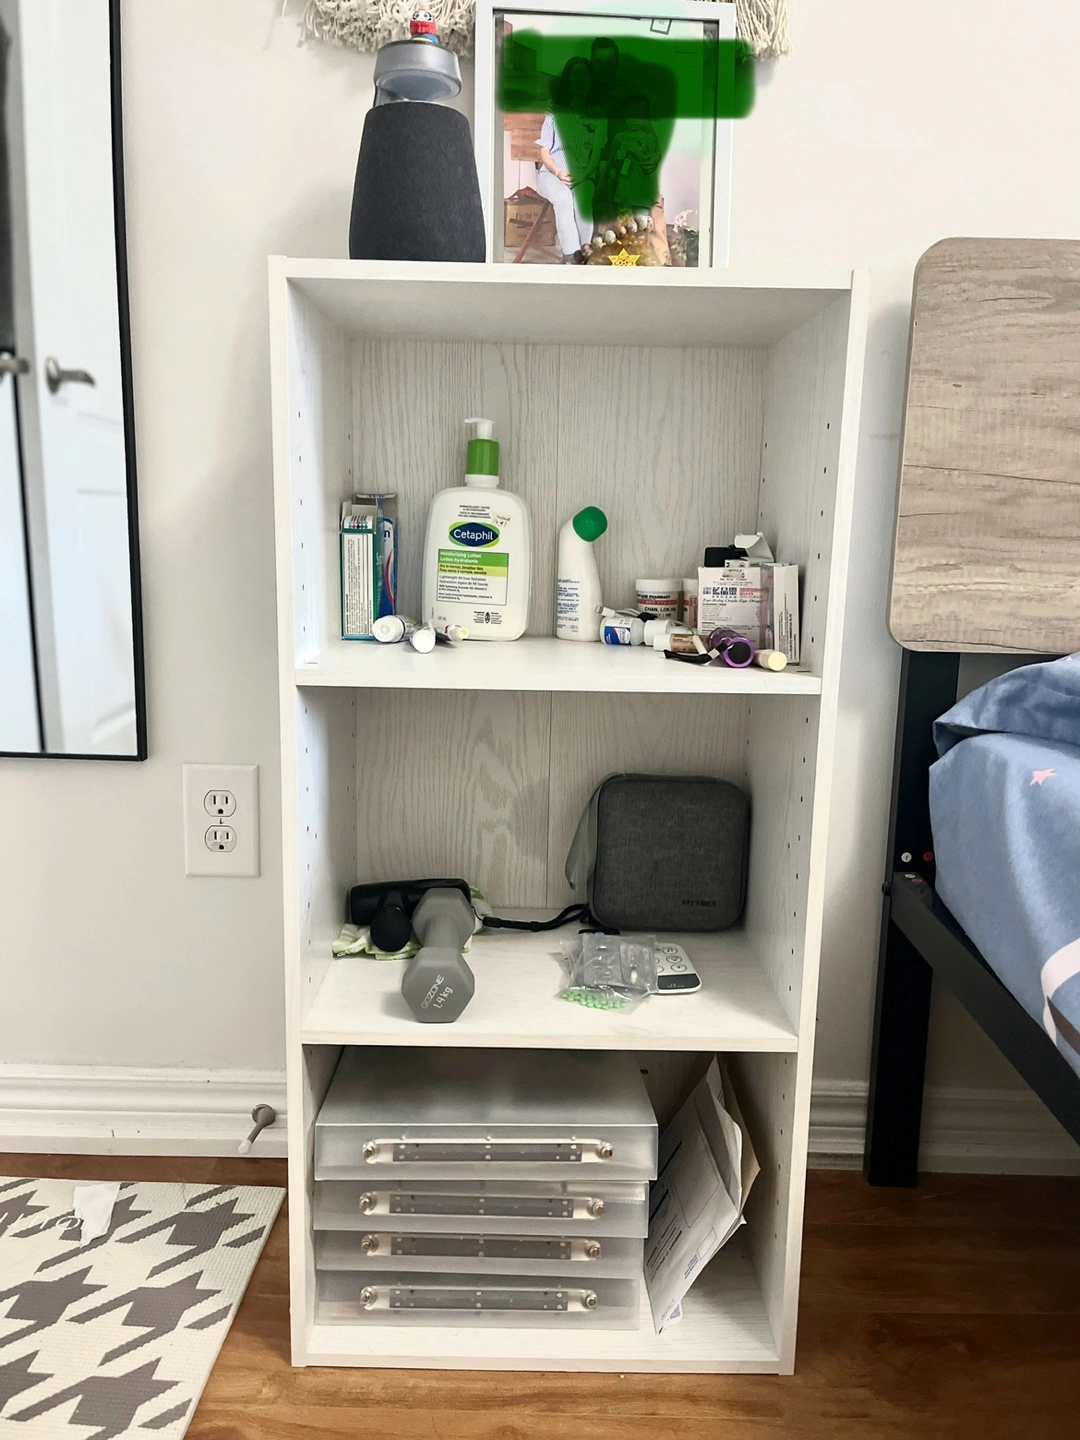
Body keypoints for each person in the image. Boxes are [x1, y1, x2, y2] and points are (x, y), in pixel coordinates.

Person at [534, 57, 606, 260]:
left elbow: (596, 154)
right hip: (551, 174)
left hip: (583, 175)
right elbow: (544, 150)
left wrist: (582, 176)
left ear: (591, 80)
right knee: (563, 198)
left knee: (583, 201)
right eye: (575, 76)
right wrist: (558, 171)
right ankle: (572, 258)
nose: (580, 81)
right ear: (569, 80)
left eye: (585, 76)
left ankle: (584, 254)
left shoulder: (599, 114)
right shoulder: (554, 108)